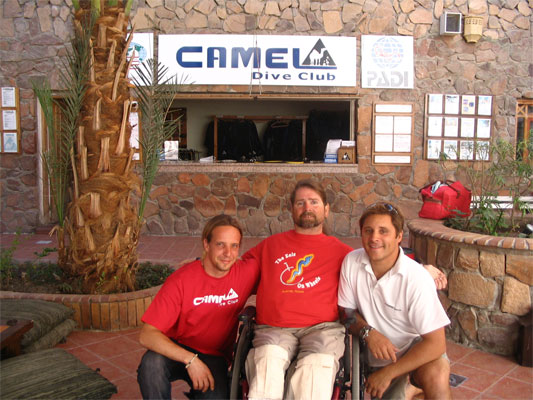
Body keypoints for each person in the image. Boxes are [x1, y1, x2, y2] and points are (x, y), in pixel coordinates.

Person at [243, 179, 352, 400]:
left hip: (323, 330)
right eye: (300, 203)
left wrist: (421, 269)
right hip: (274, 329)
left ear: (326, 209)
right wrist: (203, 265)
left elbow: (377, 269)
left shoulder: (343, 252)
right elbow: (236, 272)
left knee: (314, 371)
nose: (307, 208)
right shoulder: (270, 246)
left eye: (314, 202)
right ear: (292, 209)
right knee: (268, 363)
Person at [137, 215, 259, 400]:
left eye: (234, 246)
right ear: (206, 245)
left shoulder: (245, 272)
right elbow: (147, 334)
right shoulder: (182, 279)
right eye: (220, 245)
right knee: (151, 365)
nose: (228, 253)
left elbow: (280, 273)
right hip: (178, 348)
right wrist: (190, 360)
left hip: (214, 356)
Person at [338, 202, 452, 400]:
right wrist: (368, 333)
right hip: (379, 356)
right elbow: (345, 311)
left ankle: (412, 384)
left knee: (438, 376)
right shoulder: (351, 262)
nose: (374, 238)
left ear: (399, 236)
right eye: (369, 231)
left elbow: (436, 344)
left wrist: (389, 374)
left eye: (384, 231)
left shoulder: (417, 278)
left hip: (415, 350)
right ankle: (410, 389)